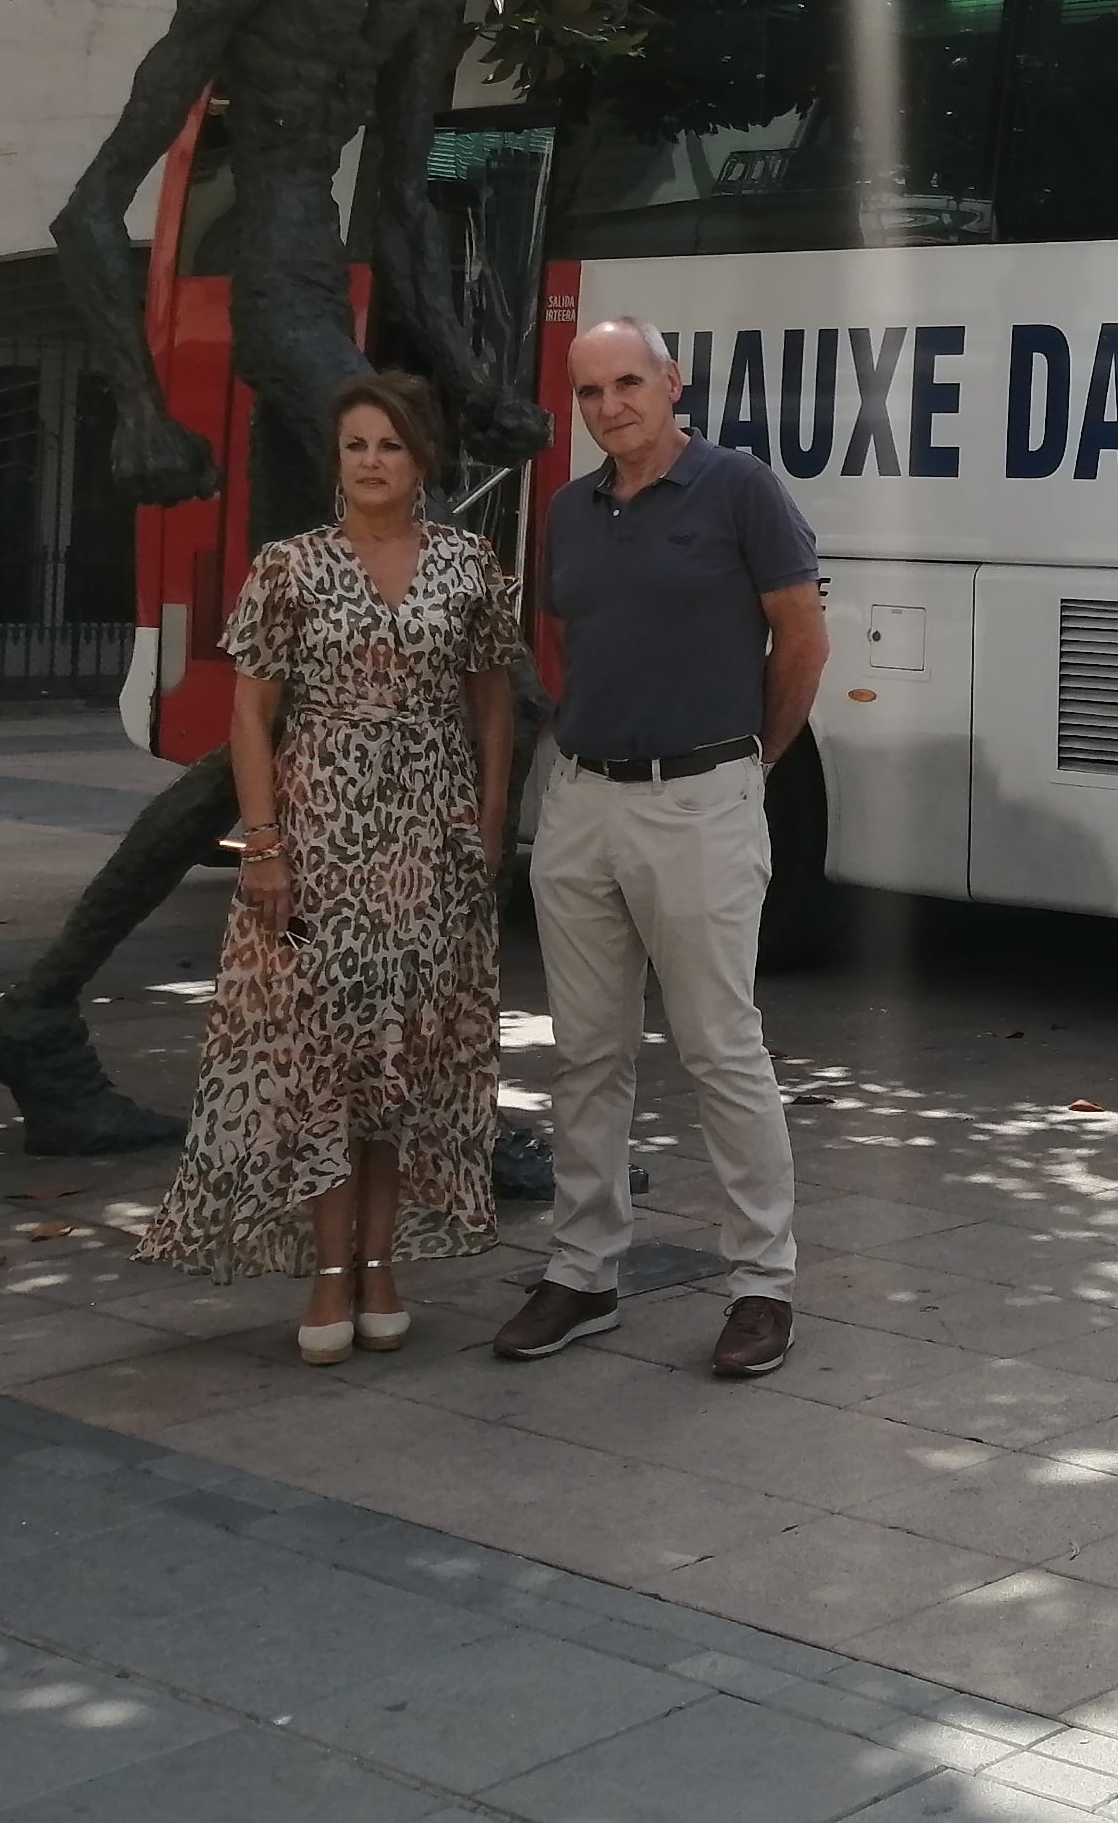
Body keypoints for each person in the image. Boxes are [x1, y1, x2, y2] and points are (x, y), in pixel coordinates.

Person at [140, 375, 518, 1361]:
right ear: (337, 461)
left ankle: (381, 1267)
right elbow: (249, 715)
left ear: (420, 459)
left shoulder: (470, 565)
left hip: (429, 840)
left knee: (402, 1064)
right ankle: (325, 1273)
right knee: (324, 1064)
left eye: (388, 445)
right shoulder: (289, 569)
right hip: (320, 837)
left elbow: (491, 703)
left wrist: (488, 818)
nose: (371, 462)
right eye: (355, 445)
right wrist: (261, 844)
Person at [494, 317, 827, 1379]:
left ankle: (761, 1285)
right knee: (585, 1052)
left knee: (720, 1049)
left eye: (627, 383)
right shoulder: (568, 512)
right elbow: (570, 643)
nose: (609, 408)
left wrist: (749, 763)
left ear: (671, 382)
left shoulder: (738, 489)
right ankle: (583, 1272)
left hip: (700, 798)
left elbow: (801, 636)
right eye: (589, 393)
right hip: (583, 802)